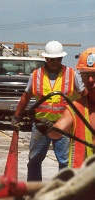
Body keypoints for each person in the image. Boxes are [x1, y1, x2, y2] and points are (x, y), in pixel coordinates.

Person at [13, 40, 87, 181]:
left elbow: (85, 94)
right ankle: (34, 191)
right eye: (51, 59)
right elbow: (26, 96)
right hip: (41, 125)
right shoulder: (36, 75)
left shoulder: (72, 74)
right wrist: (17, 116)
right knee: (34, 160)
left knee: (65, 162)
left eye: (57, 59)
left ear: (61, 58)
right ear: (46, 58)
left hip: (64, 126)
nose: (54, 62)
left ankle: (64, 191)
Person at [45, 48, 95, 168]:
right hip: (83, 179)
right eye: (86, 75)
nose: (90, 80)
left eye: (94, 74)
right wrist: (50, 129)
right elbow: (57, 130)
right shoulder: (76, 107)